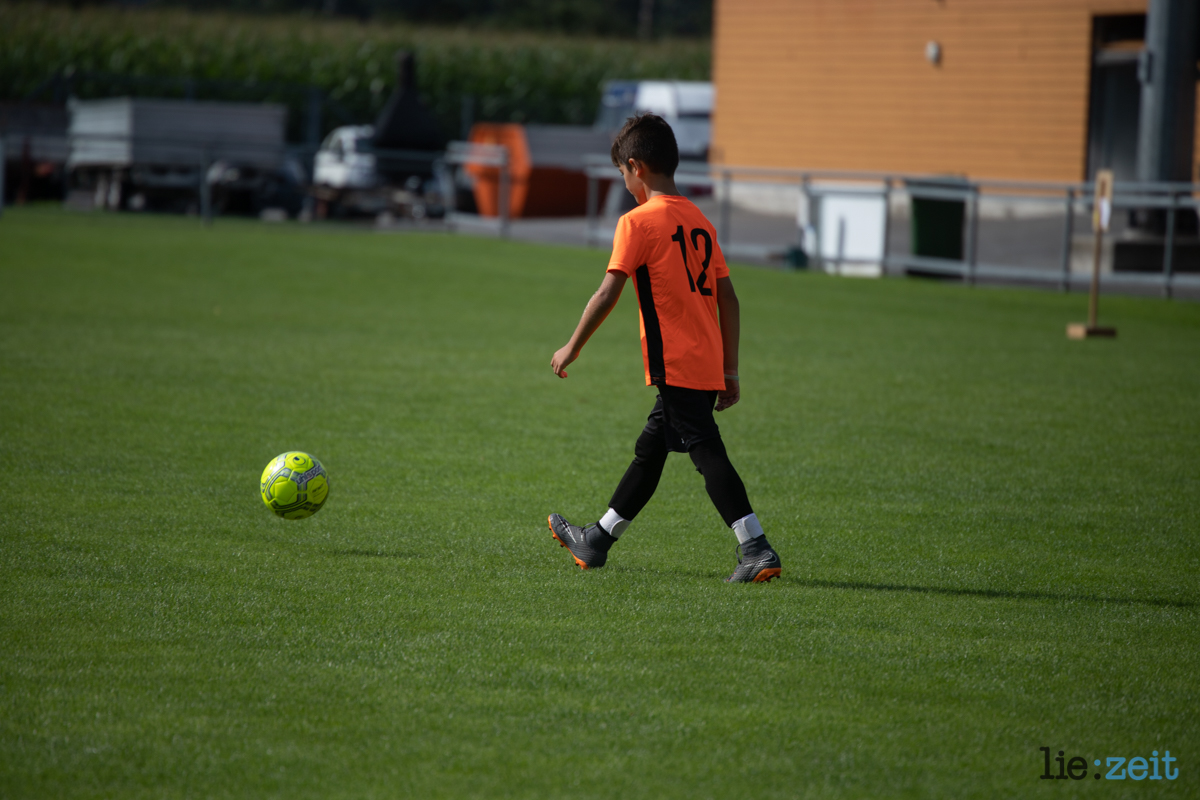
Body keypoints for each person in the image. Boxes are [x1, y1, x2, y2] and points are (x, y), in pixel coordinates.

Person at [547, 113, 782, 584]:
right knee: (650, 450)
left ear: (636, 167)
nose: (625, 182)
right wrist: (730, 370)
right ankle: (596, 540)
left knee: (706, 450)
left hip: (674, 361)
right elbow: (729, 298)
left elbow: (607, 293)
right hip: (704, 360)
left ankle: (756, 548)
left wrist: (572, 346)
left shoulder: (637, 222)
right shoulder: (699, 219)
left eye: (623, 173)